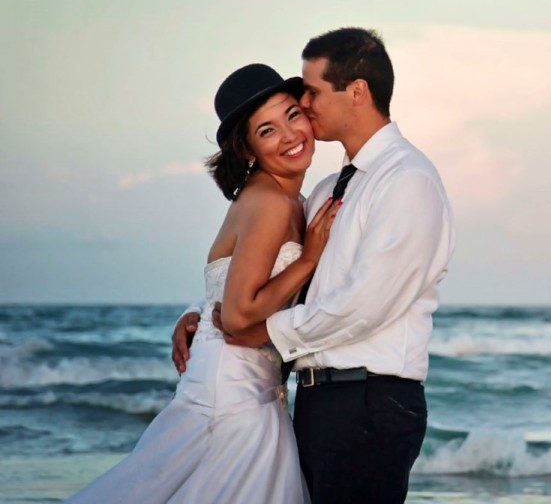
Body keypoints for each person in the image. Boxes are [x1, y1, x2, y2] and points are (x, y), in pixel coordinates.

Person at [172, 28, 455, 503]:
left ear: (357, 92)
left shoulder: (407, 181)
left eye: (311, 91)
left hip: (370, 401)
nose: (304, 104)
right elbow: (278, 276)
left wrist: (254, 331)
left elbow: (365, 306)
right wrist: (205, 315)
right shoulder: (324, 191)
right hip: (314, 401)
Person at [71, 64, 341, 503]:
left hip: (249, 383)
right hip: (233, 392)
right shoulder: (270, 201)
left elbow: (228, 290)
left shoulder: (288, 200)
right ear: (249, 150)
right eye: (268, 130)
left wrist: (193, 313)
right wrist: (310, 258)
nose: (290, 135)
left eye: (293, 115)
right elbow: (236, 316)